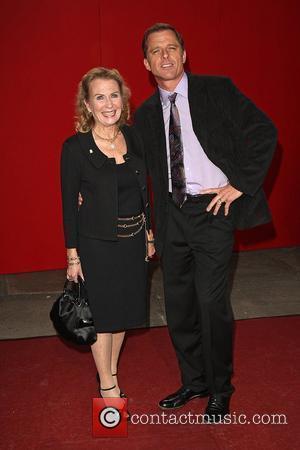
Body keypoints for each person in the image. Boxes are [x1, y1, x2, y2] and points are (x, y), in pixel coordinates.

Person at [134, 23, 277, 422]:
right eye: (157, 51)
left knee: (211, 303)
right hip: (171, 217)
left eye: (172, 48)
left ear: (184, 54)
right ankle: (194, 381)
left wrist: (241, 185)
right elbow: (132, 168)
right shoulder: (145, 115)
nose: (165, 56)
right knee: (179, 306)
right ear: (146, 62)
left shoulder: (217, 90)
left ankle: (219, 388)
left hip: (213, 210)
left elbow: (265, 132)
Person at [60, 67, 155, 400]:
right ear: (87, 104)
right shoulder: (75, 148)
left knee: (124, 313)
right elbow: (69, 206)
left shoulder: (135, 137)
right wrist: (73, 256)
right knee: (102, 317)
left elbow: (143, 191)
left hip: (132, 242)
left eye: (114, 95)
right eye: (99, 97)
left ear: (123, 98)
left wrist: (149, 235)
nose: (108, 103)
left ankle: (111, 371)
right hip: (96, 245)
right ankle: (107, 385)